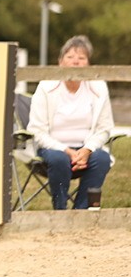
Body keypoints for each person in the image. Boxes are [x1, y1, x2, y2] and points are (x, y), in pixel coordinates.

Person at [27, 35, 115, 210]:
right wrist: (66, 150)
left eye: (81, 58)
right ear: (60, 62)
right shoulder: (46, 87)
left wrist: (87, 149)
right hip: (52, 149)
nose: (75, 62)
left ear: (88, 64)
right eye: (70, 57)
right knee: (59, 159)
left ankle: (80, 212)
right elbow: (37, 130)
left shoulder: (99, 87)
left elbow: (104, 128)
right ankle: (60, 210)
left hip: (86, 149)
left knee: (102, 159)